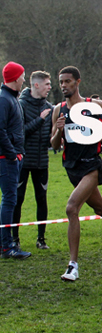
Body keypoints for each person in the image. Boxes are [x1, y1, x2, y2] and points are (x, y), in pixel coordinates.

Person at [51, 66, 102, 281]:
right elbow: (54, 145)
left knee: (72, 208)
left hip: (92, 166)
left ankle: (73, 266)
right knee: (100, 208)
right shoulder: (58, 110)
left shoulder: (94, 105)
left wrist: (101, 135)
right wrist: (59, 129)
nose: (63, 85)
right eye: (61, 82)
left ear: (78, 82)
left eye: (68, 81)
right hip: (71, 167)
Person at [13, 70, 53, 250]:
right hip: (23, 161)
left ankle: (41, 239)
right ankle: (14, 238)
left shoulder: (50, 107)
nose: (50, 87)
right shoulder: (19, 105)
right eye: (47, 84)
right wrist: (40, 120)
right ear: (36, 85)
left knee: (42, 199)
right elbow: (20, 133)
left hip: (42, 162)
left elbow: (51, 139)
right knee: (18, 199)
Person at [0, 62, 30, 259]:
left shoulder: (11, 99)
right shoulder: (4, 99)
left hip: (13, 157)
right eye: (22, 76)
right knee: (9, 200)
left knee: (10, 199)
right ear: (15, 78)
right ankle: (6, 246)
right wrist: (12, 154)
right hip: (7, 159)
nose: (24, 80)